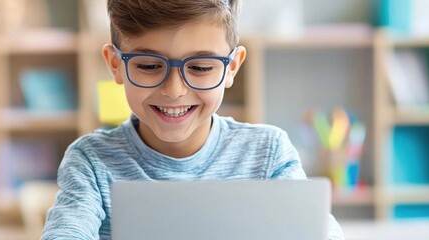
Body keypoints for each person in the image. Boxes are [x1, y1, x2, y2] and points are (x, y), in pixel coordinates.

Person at [41, 0, 344, 239]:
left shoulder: (268, 152)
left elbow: (318, 232)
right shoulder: (91, 161)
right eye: (149, 65)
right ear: (115, 65)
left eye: (200, 67)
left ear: (232, 68)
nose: (174, 90)